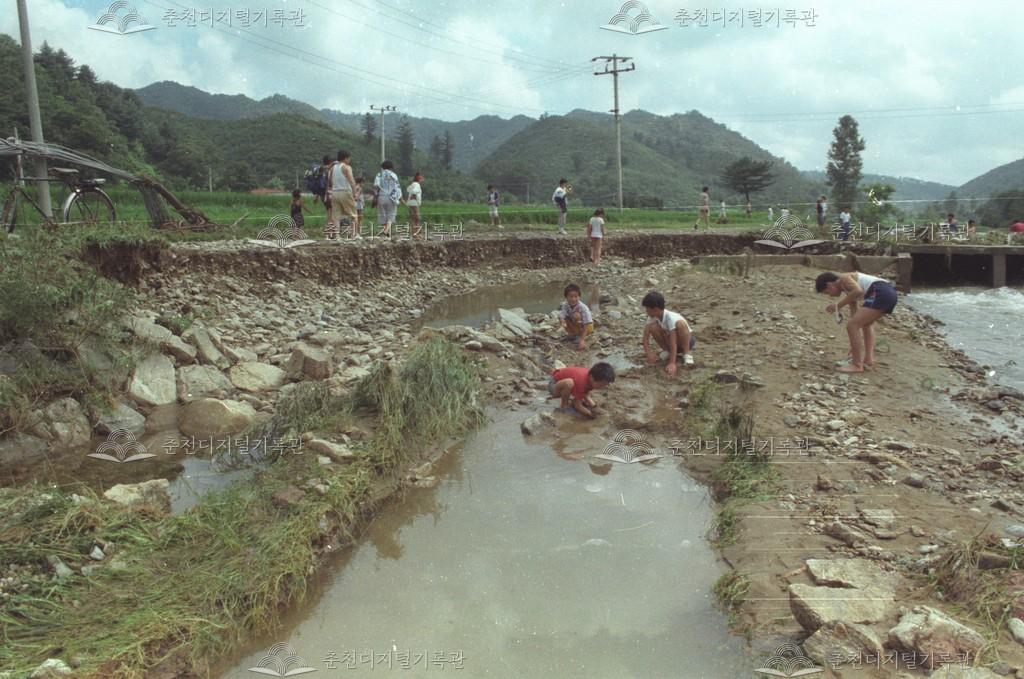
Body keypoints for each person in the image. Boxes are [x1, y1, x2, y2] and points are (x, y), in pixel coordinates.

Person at [815, 271, 898, 374]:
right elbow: (855, 316)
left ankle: (857, 365)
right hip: (889, 293)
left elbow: (858, 291)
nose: (830, 296)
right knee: (865, 324)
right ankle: (868, 359)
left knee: (852, 326)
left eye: (827, 292)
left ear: (829, 285)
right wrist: (855, 346)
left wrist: (838, 305)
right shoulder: (848, 291)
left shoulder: (844, 278)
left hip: (880, 292)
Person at [641, 291, 695, 377]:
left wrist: (672, 363)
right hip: (670, 341)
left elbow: (673, 341)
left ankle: (686, 354)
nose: (646, 312)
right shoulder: (652, 317)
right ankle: (668, 351)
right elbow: (645, 337)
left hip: (685, 341)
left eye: (647, 309)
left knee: (680, 324)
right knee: (653, 327)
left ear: (655, 309)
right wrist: (649, 354)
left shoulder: (671, 318)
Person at [547, 362, 615, 419]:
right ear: (592, 378)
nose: (602, 387)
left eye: (605, 385)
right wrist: (590, 415)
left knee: (583, 391)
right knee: (569, 383)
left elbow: (586, 392)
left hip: (564, 382)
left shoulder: (591, 377)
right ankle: (564, 405)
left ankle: (572, 397)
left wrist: (594, 406)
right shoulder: (582, 381)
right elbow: (577, 404)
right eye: (601, 385)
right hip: (554, 385)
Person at [327, 149, 357, 241]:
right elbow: (352, 181)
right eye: (349, 158)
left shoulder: (332, 168)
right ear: (345, 158)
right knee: (353, 215)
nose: (349, 160)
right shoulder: (347, 167)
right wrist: (355, 193)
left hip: (335, 192)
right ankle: (353, 235)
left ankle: (337, 237)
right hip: (345, 191)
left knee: (336, 216)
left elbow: (331, 181)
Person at [559, 283, 594, 351]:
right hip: (576, 325)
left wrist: (582, 340)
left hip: (587, 327)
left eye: (576, 296)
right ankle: (573, 334)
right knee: (563, 317)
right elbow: (562, 314)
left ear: (579, 297)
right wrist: (562, 320)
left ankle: (580, 336)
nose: (573, 299)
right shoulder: (565, 305)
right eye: (571, 296)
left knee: (577, 315)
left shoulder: (583, 308)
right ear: (566, 297)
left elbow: (587, 323)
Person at [373, 160, 402, 239]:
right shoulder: (394, 175)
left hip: (381, 196)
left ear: (382, 167)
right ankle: (386, 232)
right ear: (391, 167)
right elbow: (397, 188)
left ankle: (387, 235)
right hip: (391, 198)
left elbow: (375, 186)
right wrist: (399, 197)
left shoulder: (379, 175)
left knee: (382, 216)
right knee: (391, 216)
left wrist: (375, 196)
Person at [407, 172, 424, 238]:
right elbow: (414, 191)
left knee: (413, 218)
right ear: (419, 179)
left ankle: (414, 233)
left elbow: (408, 189)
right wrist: (414, 195)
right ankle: (416, 233)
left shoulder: (413, 184)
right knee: (417, 218)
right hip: (414, 203)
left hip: (410, 203)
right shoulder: (417, 184)